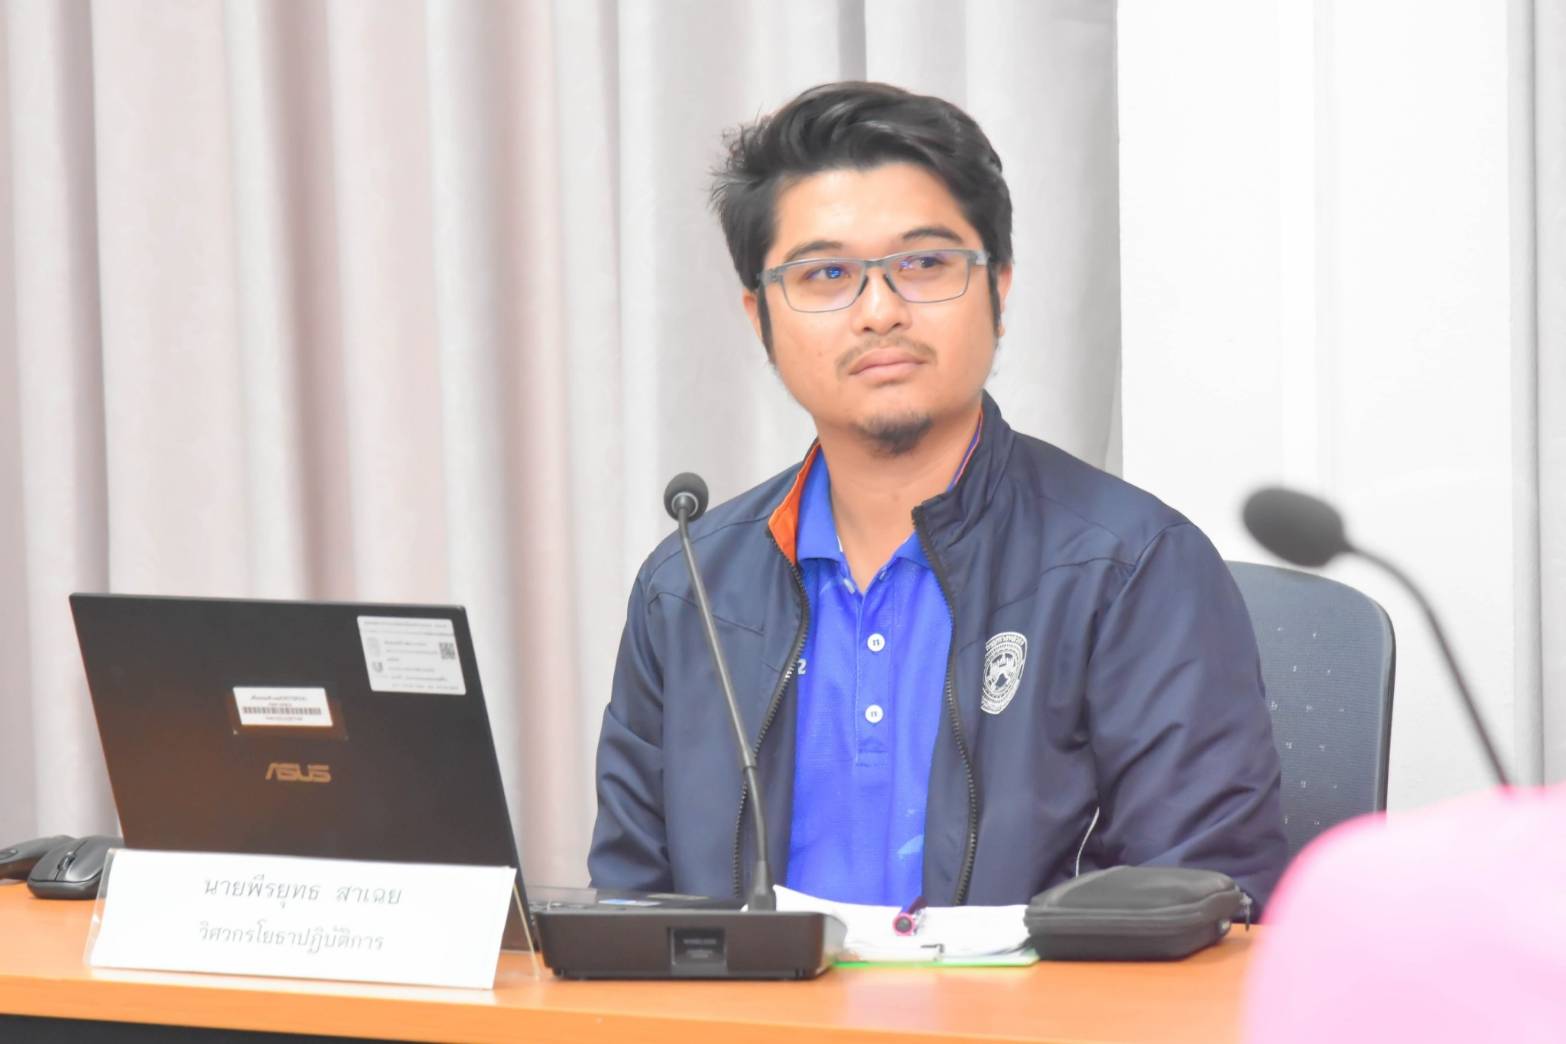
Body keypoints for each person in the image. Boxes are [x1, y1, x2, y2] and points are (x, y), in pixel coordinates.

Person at [588, 81, 1288, 910]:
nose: (879, 311)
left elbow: (1202, 904)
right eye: (825, 274)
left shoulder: (1131, 570)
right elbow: (629, 916)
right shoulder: (689, 592)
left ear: (1000, 287)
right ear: (759, 315)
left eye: (923, 264)